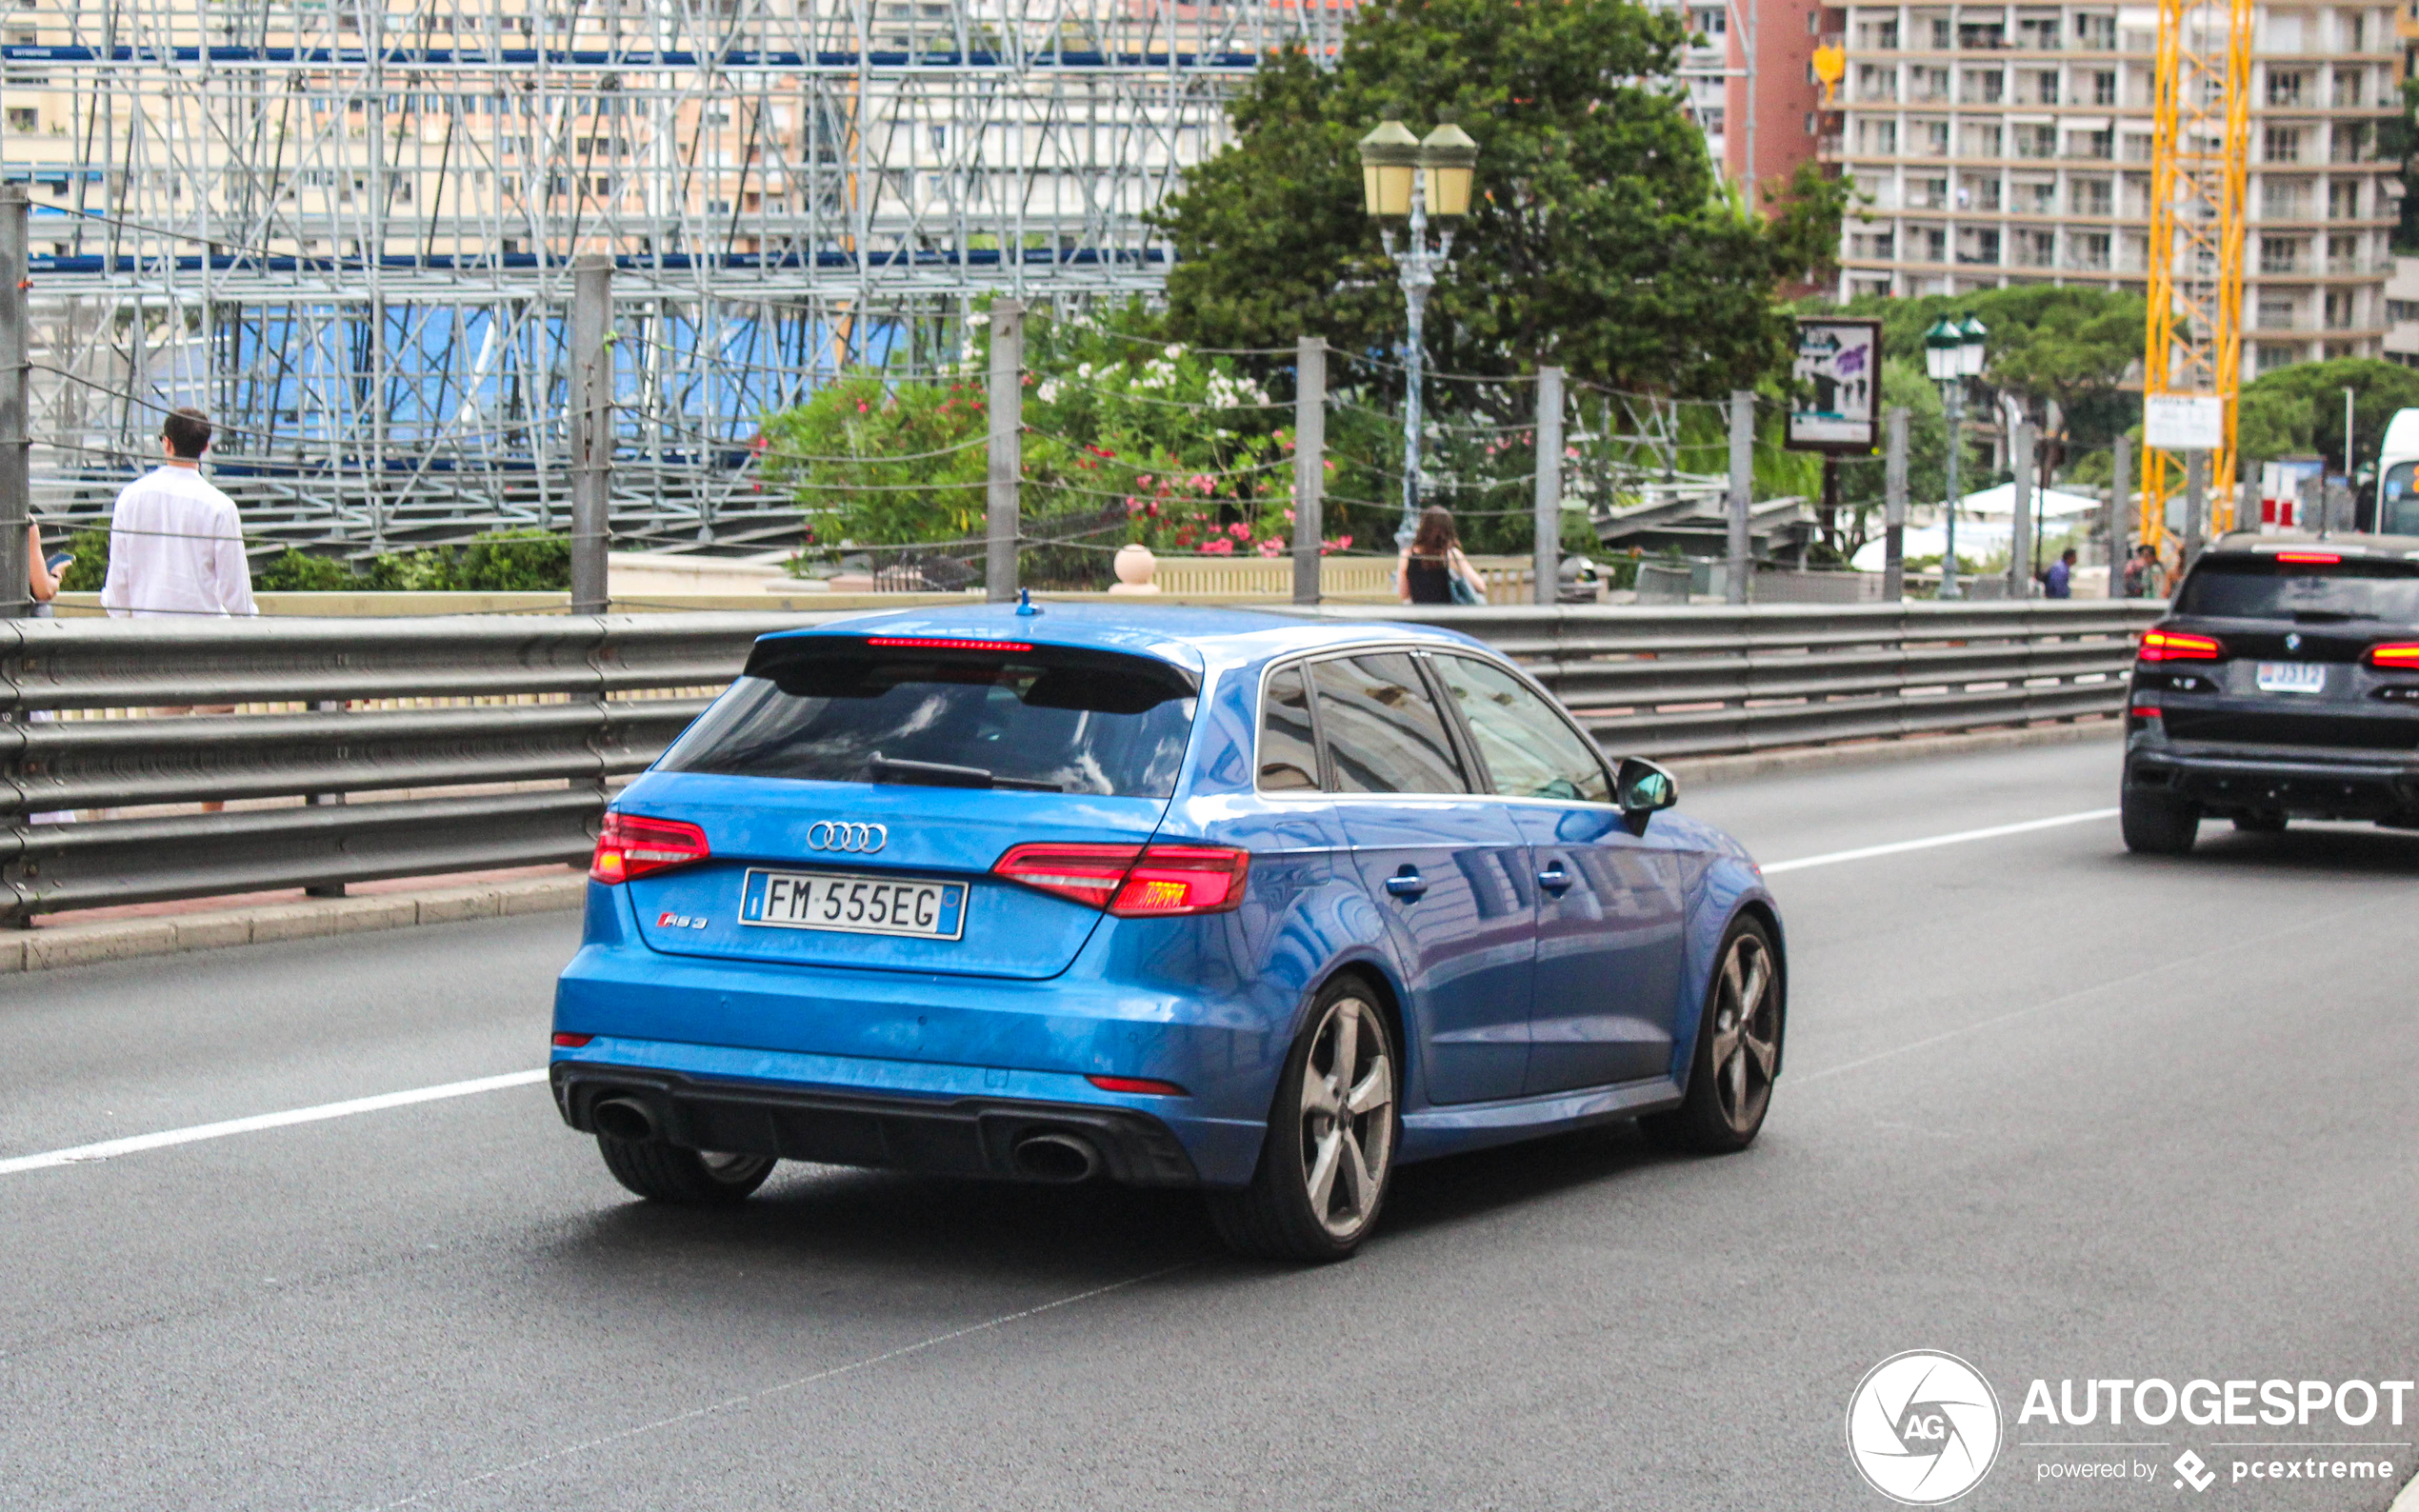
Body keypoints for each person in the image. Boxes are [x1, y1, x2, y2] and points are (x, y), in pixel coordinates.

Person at [99, 407, 256, 620]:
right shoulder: (220, 506)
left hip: (143, 634)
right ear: (205, 447)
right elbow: (237, 593)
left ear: (167, 443)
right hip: (204, 638)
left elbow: (118, 583)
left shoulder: (130, 497)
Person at [1394, 506, 1487, 606]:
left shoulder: (1407, 555)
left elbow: (1404, 594)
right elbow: (1481, 586)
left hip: (1420, 616)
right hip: (1447, 617)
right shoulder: (1451, 555)